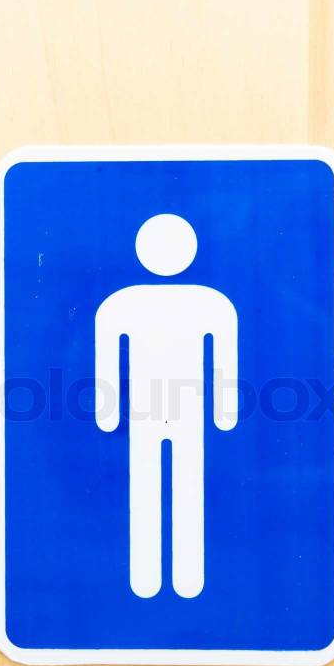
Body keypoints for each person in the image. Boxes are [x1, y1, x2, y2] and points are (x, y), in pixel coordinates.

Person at [95, 213, 237, 598]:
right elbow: (106, 358)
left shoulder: (211, 304)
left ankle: (187, 578)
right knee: (146, 483)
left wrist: (225, 410)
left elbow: (225, 360)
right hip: (143, 412)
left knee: (186, 483)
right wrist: (107, 412)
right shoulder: (121, 305)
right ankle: (146, 578)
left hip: (186, 412)